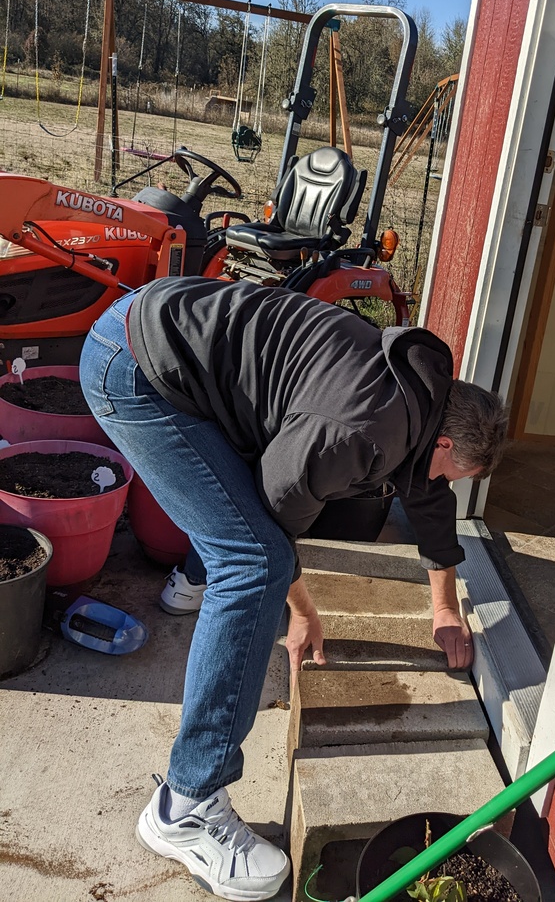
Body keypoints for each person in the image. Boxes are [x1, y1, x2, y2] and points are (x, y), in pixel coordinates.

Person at [79, 276, 508, 902]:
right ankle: (186, 805)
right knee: (253, 563)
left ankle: (205, 582)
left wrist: (443, 606)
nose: (444, 478)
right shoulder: (360, 429)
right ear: (442, 441)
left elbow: (430, 497)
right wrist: (301, 612)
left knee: (246, 546)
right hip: (138, 370)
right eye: (452, 468)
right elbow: (277, 513)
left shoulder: (421, 392)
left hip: (163, 328)